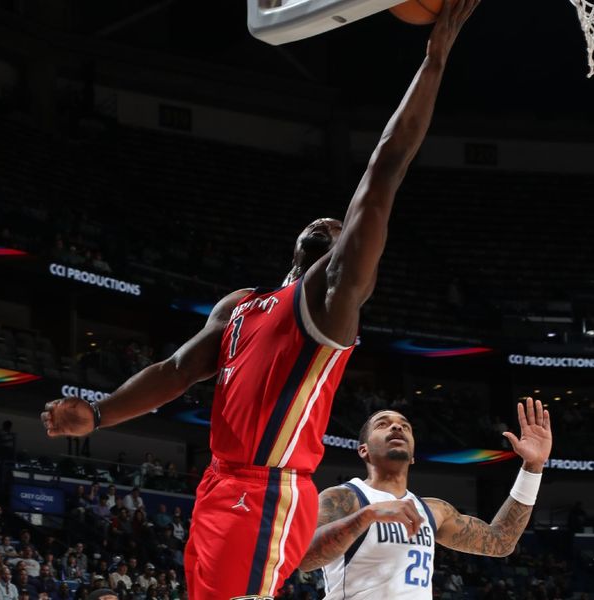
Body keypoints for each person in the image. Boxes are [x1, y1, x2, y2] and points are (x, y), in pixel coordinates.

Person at [40, 1, 480, 596]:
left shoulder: (329, 303)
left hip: (271, 488)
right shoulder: (241, 305)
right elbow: (175, 370)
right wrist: (99, 412)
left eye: (341, 231)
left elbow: (385, 169)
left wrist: (433, 61)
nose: (333, 226)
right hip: (220, 483)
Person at [298, 398, 553, 597]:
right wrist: (366, 516)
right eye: (383, 424)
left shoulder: (434, 511)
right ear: (363, 450)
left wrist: (533, 467)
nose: (397, 426)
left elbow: (501, 541)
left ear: (412, 455)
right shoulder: (344, 498)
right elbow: (304, 559)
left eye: (405, 426)